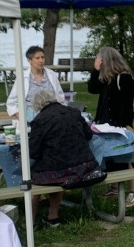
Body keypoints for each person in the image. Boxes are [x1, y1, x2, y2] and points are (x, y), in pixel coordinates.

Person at [28, 89, 101, 226]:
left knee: (32, 177)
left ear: (37, 106)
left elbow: (33, 152)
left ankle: (30, 219)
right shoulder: (74, 112)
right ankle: (53, 216)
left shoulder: (39, 120)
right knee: (54, 169)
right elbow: (89, 134)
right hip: (86, 167)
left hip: (61, 171)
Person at [88, 46, 134, 207]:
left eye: (100, 60)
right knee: (110, 154)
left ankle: (133, 192)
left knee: (126, 156)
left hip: (120, 124)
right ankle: (115, 187)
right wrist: (95, 71)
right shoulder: (106, 78)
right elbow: (92, 89)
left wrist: (122, 125)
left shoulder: (124, 78)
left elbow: (127, 105)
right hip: (105, 123)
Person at [6, 45, 65, 117]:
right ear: (29, 60)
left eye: (42, 57)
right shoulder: (22, 77)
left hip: (52, 116)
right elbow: (12, 102)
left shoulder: (51, 74)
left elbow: (60, 97)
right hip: (30, 117)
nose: (41, 61)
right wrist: (21, 117)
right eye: (37, 58)